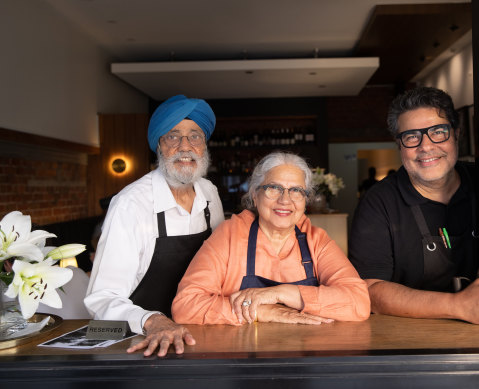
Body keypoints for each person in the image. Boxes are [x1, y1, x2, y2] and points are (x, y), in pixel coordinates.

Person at [349, 86, 479, 325]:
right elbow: (370, 290)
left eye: (438, 131)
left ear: (457, 134)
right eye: (412, 136)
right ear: (400, 145)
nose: (425, 146)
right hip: (409, 341)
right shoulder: (379, 202)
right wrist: (459, 306)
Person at [85, 95, 224, 356]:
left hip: (202, 336)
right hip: (144, 344)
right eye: (173, 136)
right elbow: (101, 300)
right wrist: (153, 321)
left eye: (195, 136)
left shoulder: (209, 194)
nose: (185, 146)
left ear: (204, 146)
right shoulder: (130, 204)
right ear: (159, 146)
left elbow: (221, 268)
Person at [172, 152, 370, 325]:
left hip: (305, 358)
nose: (285, 200)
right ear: (255, 195)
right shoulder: (229, 235)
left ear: (305, 201)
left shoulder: (316, 240)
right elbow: (185, 305)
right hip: (242, 359)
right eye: (273, 188)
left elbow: (359, 302)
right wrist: (262, 311)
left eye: (296, 191)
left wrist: (279, 293)